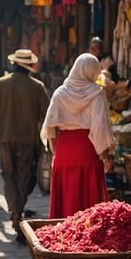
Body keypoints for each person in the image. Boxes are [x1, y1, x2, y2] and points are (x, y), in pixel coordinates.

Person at [0, 50, 50, 238]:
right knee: (23, 176)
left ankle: (13, 209)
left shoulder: (0, 84)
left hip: (4, 137)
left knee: (8, 175)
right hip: (27, 138)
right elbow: (47, 114)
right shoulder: (37, 86)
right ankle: (17, 211)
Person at [41, 53, 113, 219]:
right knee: (88, 202)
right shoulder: (97, 94)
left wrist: (56, 152)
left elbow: (50, 128)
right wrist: (105, 156)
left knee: (67, 198)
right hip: (88, 151)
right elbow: (99, 129)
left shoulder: (60, 93)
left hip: (64, 151)